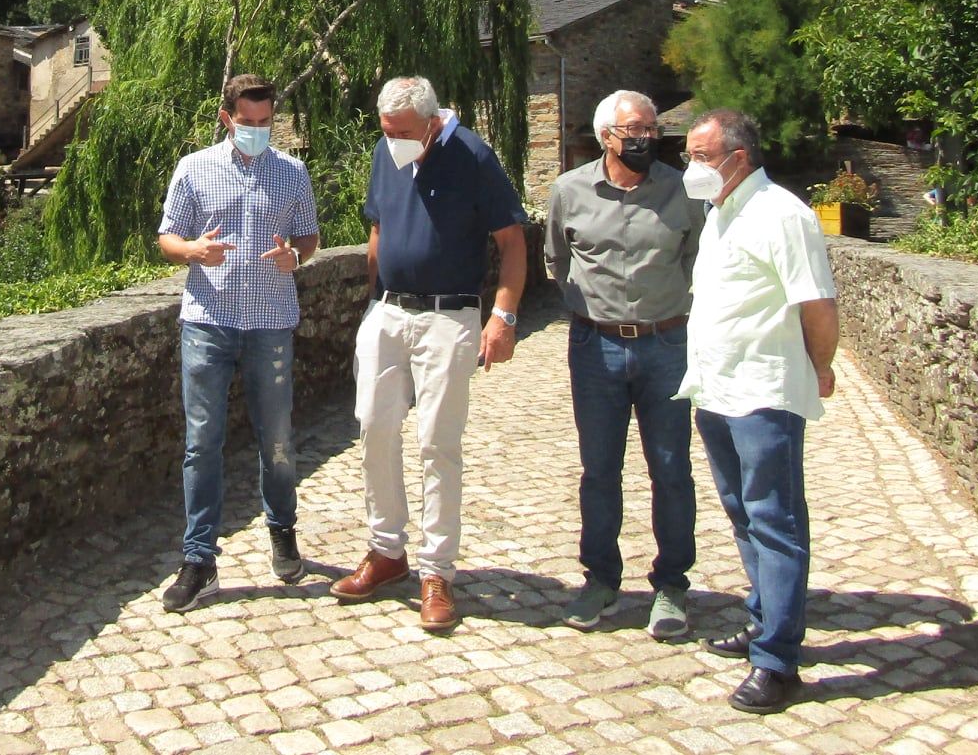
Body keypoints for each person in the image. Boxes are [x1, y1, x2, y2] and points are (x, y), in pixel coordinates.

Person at [331, 75, 526, 633]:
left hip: (449, 315)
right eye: (386, 130)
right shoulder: (386, 149)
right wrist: (371, 304)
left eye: (404, 132)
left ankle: (436, 571)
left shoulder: (472, 155)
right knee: (373, 427)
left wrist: (503, 316)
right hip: (389, 311)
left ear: (433, 121)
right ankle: (386, 551)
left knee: (437, 442)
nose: (392, 140)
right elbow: (379, 227)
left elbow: (511, 241)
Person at [676, 108, 839, 714]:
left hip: (765, 393)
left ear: (737, 158)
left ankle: (778, 661)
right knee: (744, 513)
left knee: (776, 520)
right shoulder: (721, 214)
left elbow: (817, 304)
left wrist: (820, 368)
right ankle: (764, 618)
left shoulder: (783, 215)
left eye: (699, 155)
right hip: (716, 391)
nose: (689, 166)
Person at [156, 73, 320, 612]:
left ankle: (282, 530)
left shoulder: (292, 173)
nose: (258, 130)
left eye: (266, 122)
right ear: (227, 118)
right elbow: (167, 238)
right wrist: (192, 251)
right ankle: (199, 559)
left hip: (271, 322)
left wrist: (294, 256)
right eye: (248, 123)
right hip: (208, 321)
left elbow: (309, 234)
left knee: (276, 439)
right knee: (202, 443)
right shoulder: (193, 168)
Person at [546, 90, 701, 639]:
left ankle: (673, 585)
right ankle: (602, 579)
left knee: (672, 471)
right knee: (599, 471)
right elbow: (557, 262)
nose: (645, 138)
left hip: (667, 346)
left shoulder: (683, 191)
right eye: (633, 129)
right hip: (596, 349)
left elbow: (695, 260)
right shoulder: (569, 191)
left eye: (651, 129)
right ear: (606, 134)